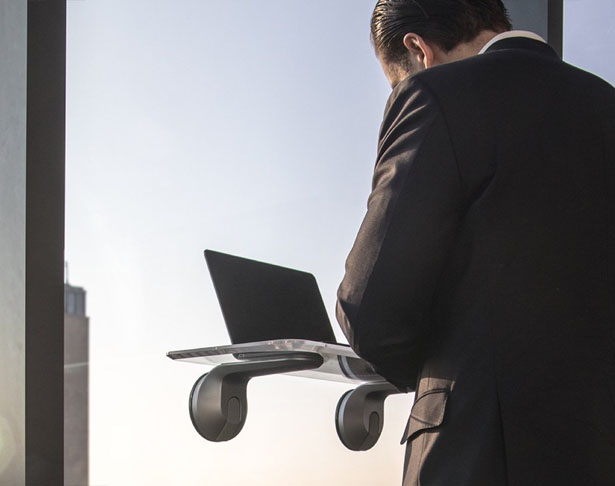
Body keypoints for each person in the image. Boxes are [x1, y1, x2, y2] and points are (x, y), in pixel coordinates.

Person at [335, 1, 615, 485]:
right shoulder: (605, 103)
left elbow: (370, 307)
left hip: (481, 453)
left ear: (418, 50)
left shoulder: (435, 94)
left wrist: (434, 367)